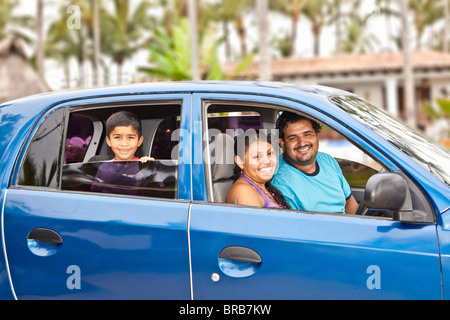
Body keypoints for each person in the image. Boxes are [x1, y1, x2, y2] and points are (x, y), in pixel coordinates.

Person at [271, 111, 358, 214]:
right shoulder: (281, 184)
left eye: (307, 134)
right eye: (293, 138)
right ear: (282, 143)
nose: (302, 143)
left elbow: (349, 202)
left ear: (317, 134)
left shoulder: (327, 160)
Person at [91, 111, 154, 194]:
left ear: (139, 141)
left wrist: (152, 167)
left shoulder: (144, 166)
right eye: (117, 137)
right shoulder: (104, 167)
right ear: (108, 141)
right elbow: (95, 193)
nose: (124, 144)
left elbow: (158, 193)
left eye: (130, 137)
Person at [226, 131, 289, 209]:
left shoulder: (264, 186)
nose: (267, 161)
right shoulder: (243, 191)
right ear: (240, 162)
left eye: (270, 153)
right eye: (257, 156)